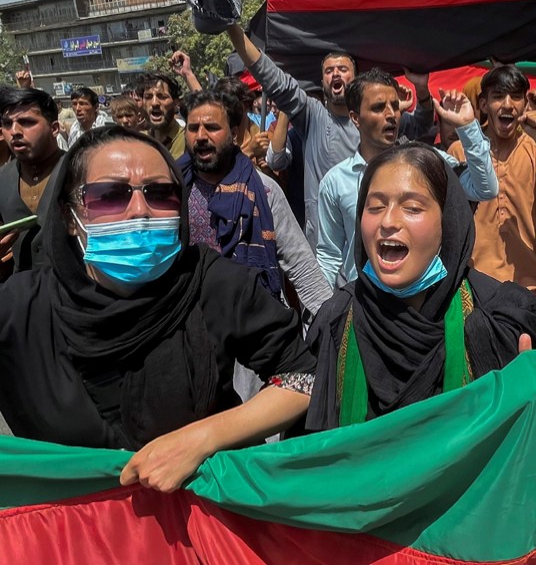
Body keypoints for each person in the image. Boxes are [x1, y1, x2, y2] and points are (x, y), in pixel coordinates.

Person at [0, 125, 315, 492]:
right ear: (71, 217)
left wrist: (202, 439)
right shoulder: (20, 308)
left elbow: (303, 377)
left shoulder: (211, 283)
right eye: (110, 195)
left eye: (160, 194)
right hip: (74, 536)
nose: (140, 211)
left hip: (202, 529)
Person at [304, 143, 536, 431]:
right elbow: (307, 451)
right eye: (375, 207)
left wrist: (530, 404)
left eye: (412, 208)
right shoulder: (336, 322)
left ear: (447, 224)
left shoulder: (502, 322)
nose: (388, 221)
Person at [224, 23, 435, 248]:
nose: (335, 73)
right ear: (322, 82)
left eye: (343, 69)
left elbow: (421, 125)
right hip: (325, 248)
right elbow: (273, 79)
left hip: (375, 239)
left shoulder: (377, 117)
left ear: (356, 79)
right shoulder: (312, 115)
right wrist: (231, 27)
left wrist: (422, 90)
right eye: (328, 71)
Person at [317, 69, 496, 288]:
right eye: (378, 108)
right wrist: (323, 314)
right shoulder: (335, 182)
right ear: (355, 118)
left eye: (395, 106)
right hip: (365, 307)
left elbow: (484, 189)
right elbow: (329, 255)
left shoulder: (428, 162)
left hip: (426, 303)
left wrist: (468, 127)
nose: (391, 114)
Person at [177, 90, 331, 313]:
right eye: (193, 128)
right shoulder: (172, 190)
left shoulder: (265, 191)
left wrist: (335, 328)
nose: (201, 136)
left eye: (212, 127)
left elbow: (302, 268)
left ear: (235, 135)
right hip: (191, 322)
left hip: (255, 321)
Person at [448, 66, 536, 302]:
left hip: (528, 286)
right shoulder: (461, 150)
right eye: (498, 96)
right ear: (484, 105)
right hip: (474, 286)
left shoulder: (534, 145)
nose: (507, 104)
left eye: (516, 97)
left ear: (525, 104)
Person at [0, 87, 66, 275]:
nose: (14, 131)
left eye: (26, 122)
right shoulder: (2, 179)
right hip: (21, 295)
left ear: (54, 128)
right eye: (7, 124)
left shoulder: (82, 171)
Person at [141, 73, 185, 159]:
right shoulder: (139, 141)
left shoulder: (186, 140)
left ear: (175, 103)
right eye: (148, 97)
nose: (154, 103)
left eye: (162, 97)